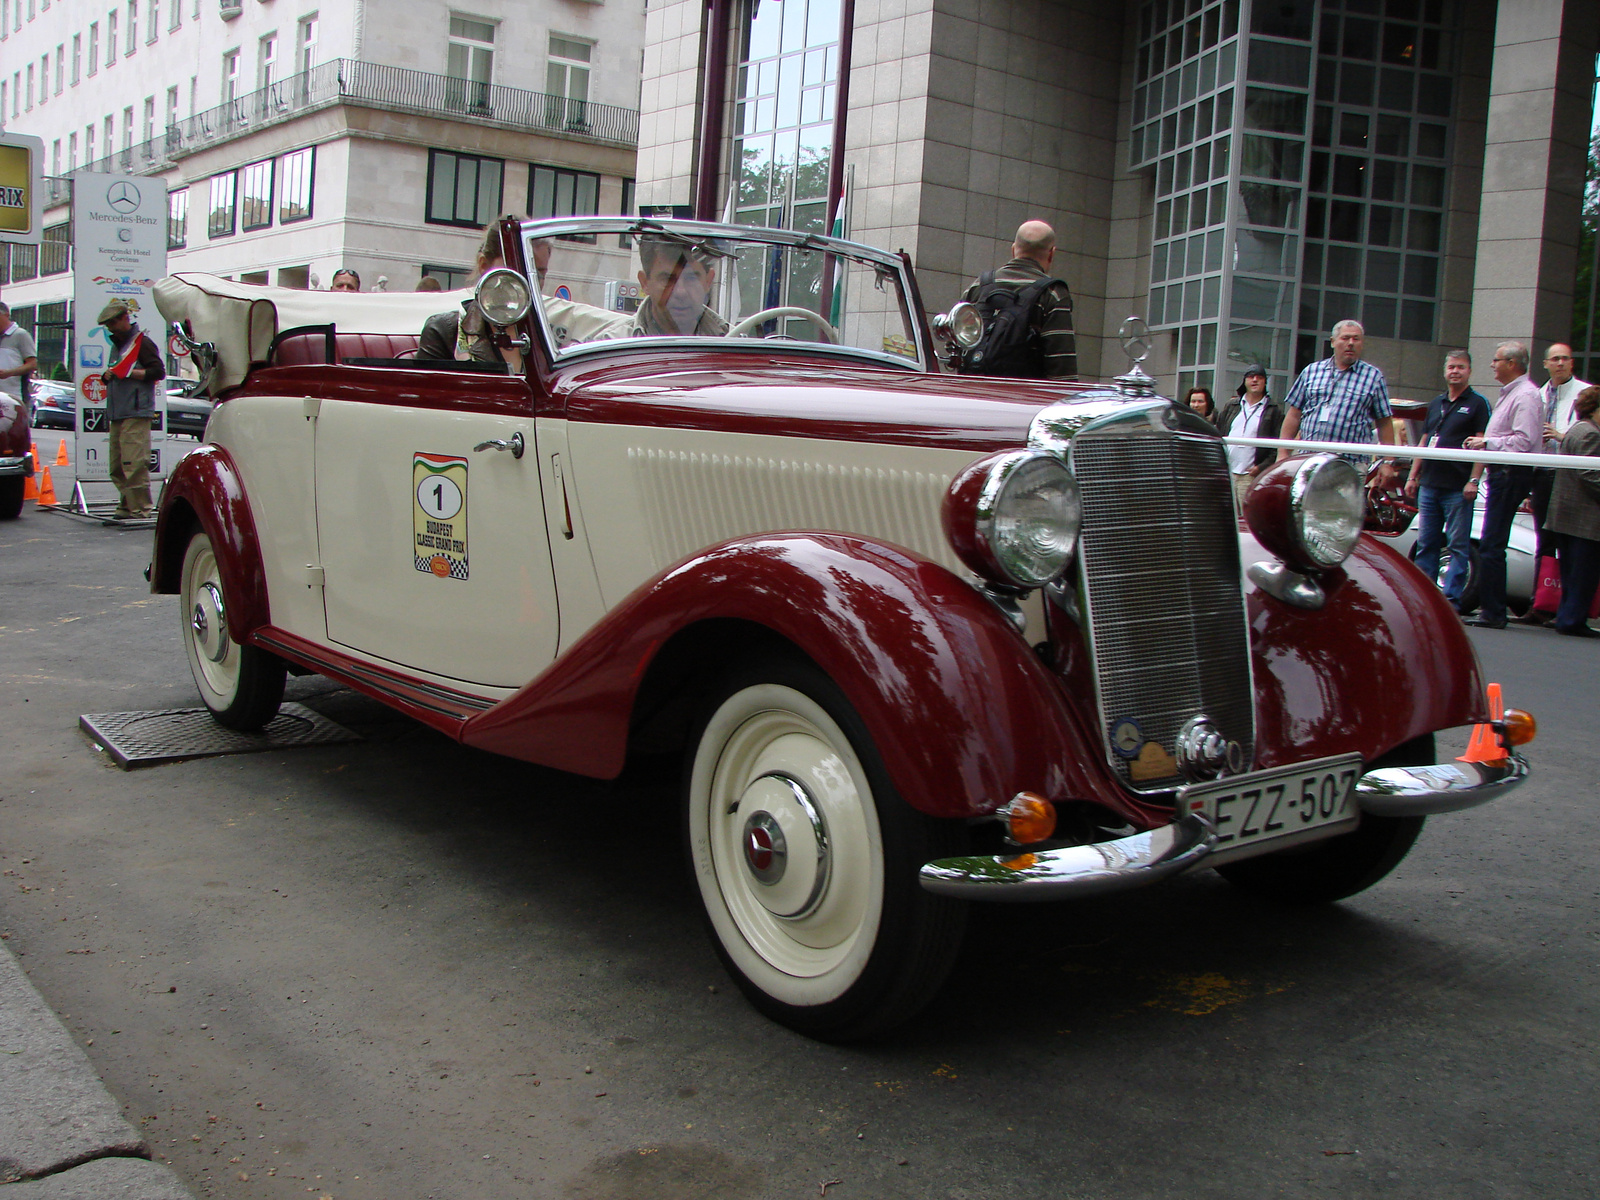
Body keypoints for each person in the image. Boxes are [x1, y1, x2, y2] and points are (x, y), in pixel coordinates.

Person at [1462, 341, 1544, 629]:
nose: (1492, 365)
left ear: (1512, 363)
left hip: (1511, 473)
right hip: (1504, 472)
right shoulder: (1515, 394)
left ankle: (1493, 612)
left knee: (1492, 544)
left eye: (1496, 360)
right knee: (1491, 544)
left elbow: (1524, 441)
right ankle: (1492, 609)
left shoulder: (1526, 396)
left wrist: (1489, 442)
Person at [1403, 350, 1489, 610]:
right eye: (1451, 367)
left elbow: (1482, 444)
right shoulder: (1436, 403)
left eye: (1460, 367)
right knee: (1427, 542)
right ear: (1444, 371)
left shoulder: (1478, 404)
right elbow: (1425, 440)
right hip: (1429, 484)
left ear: (1469, 371)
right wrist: (1412, 476)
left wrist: (1474, 480)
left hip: (1457, 486)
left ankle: (1451, 600)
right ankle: (1424, 598)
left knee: (1457, 545)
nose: (1455, 371)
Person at [1277, 320, 1399, 488]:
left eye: (1356, 339)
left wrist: (1388, 462)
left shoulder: (1373, 377)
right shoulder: (1312, 372)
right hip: (1309, 462)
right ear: (1333, 342)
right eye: (1345, 338)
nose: (1350, 343)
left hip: (1350, 465)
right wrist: (1283, 453)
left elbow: (1384, 422)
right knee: (1305, 513)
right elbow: (1293, 415)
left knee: (1340, 514)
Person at [1521, 342, 1593, 622]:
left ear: (1572, 364)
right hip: (1541, 473)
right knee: (1544, 541)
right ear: (1546, 364)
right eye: (1555, 359)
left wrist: (1562, 436)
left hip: (1570, 475)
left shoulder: (1585, 394)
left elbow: (1588, 434)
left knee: (1569, 543)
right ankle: (1540, 604)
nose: (1561, 363)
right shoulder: (1537, 395)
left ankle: (1567, 607)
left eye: (1565, 359)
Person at [958, 220, 1077, 379]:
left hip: (977, 394)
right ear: (1051, 254)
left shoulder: (978, 286)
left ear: (1013, 250)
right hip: (1024, 397)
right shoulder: (1052, 294)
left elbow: (959, 343)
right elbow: (1062, 366)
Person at [97, 301, 166, 521]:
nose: (110, 327)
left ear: (124, 318)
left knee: (134, 463)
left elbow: (158, 371)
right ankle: (127, 503)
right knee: (117, 465)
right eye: (107, 324)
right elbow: (118, 372)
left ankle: (141, 509)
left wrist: (129, 373)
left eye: (112, 322)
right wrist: (108, 376)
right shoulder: (117, 345)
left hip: (136, 410)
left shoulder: (142, 343)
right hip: (118, 411)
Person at [1541, 385, 1600, 637]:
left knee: (1571, 572)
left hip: (1565, 516)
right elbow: (1589, 473)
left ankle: (1567, 616)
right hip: (1584, 519)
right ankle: (1572, 620)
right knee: (1583, 574)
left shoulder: (1576, 430)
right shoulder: (1591, 434)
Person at [1213, 365, 1285, 507]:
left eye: (1259, 377)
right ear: (1244, 381)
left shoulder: (1273, 410)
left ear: (1265, 382)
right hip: (1228, 472)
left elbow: (1278, 445)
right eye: (1251, 377)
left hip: (1251, 475)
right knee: (1225, 514)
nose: (1255, 380)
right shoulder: (1232, 405)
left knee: (1248, 516)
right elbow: (1218, 435)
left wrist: (1260, 467)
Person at [632, 236, 729, 337]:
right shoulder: (617, 344)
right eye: (668, 280)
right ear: (645, 283)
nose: (680, 292)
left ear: (708, 281)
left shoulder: (734, 342)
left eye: (691, 278)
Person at [0, 301, 38, 417]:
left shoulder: (20, 335)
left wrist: (9, 373)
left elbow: (32, 364)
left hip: (14, 397)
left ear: (6, 315)